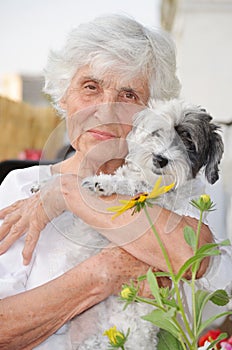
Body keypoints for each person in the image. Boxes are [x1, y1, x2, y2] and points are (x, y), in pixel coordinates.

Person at [0, 14, 231, 349]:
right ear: (64, 97)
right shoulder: (18, 189)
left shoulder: (188, 188)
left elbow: (201, 263)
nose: (106, 111)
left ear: (155, 111)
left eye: (128, 95)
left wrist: (71, 193)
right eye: (90, 88)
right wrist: (104, 273)